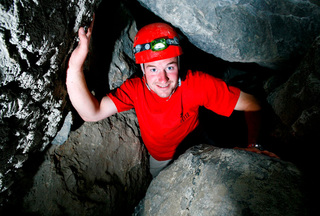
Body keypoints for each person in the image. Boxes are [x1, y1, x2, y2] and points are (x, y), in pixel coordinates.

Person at [66, 19, 278, 178]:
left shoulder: (197, 84)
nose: (163, 79)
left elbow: (253, 104)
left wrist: (254, 146)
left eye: (170, 67)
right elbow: (91, 113)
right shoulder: (135, 90)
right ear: (142, 69)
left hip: (199, 143)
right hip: (161, 160)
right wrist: (75, 67)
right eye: (153, 69)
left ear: (179, 63)